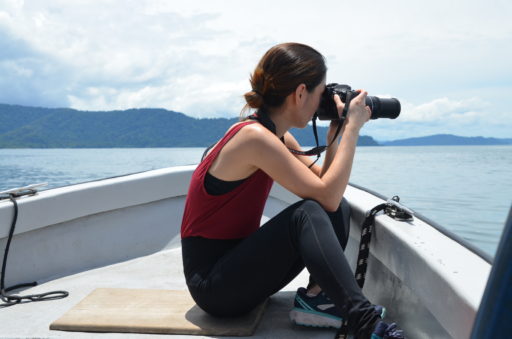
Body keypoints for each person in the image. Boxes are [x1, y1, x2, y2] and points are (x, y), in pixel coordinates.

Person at [180, 42, 405, 339]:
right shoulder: (252, 137)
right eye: (320, 93)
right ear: (300, 93)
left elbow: (328, 191)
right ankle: (366, 324)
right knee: (308, 212)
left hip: (235, 272)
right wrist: (352, 129)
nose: (322, 102)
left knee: (335, 207)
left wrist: (336, 133)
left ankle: (317, 300)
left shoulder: (276, 137)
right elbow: (323, 195)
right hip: (213, 288)